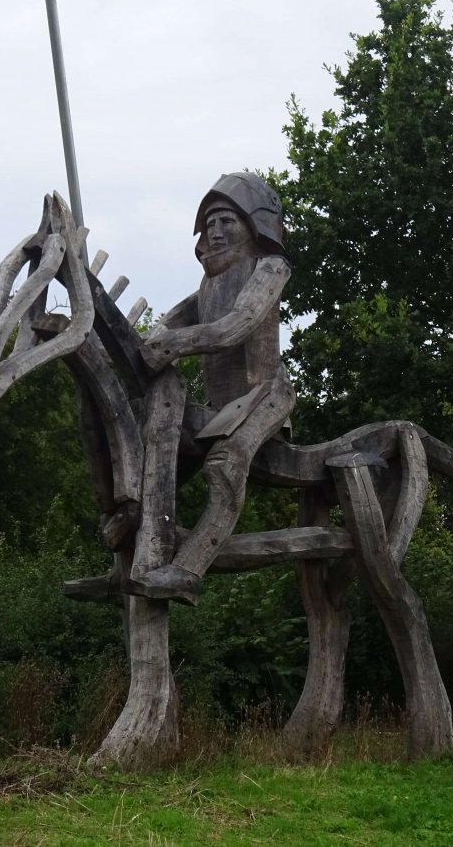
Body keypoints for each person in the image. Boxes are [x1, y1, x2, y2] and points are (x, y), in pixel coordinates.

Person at [128, 171, 296, 605]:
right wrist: (137, 345)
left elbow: (235, 326)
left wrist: (172, 344)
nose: (216, 232)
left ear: (253, 223)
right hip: (220, 410)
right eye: (210, 224)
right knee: (156, 458)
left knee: (223, 465)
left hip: (265, 396)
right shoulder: (206, 286)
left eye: (227, 221)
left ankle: (188, 569)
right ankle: (131, 531)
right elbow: (167, 325)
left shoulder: (269, 268)